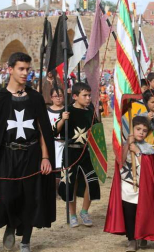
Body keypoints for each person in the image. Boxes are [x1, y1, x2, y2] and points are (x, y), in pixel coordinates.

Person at [0, 52, 56, 252]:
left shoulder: (35, 98)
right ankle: (12, 225)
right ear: (10, 70)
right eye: (21, 69)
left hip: (31, 155)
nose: (25, 73)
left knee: (31, 197)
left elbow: (42, 130)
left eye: (27, 69)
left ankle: (26, 241)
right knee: (7, 196)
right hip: (7, 156)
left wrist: (46, 157)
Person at [104, 116, 154, 252]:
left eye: (145, 130)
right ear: (132, 129)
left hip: (142, 188)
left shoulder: (148, 149)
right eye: (138, 129)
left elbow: (149, 169)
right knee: (129, 213)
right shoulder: (124, 145)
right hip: (127, 186)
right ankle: (132, 240)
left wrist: (137, 151)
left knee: (143, 213)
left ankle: (143, 235)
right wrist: (127, 146)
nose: (141, 132)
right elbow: (120, 161)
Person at [56, 82, 100, 228]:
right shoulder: (67, 111)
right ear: (75, 96)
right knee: (71, 182)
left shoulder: (90, 112)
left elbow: (97, 132)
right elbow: (54, 130)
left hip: (87, 152)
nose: (88, 98)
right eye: (85, 95)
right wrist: (63, 119)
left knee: (91, 180)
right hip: (71, 151)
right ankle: (73, 214)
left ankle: (84, 211)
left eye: (89, 95)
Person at [48, 87, 67, 193]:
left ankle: (62, 189)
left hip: (64, 142)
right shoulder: (47, 111)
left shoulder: (67, 110)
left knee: (63, 167)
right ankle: (53, 190)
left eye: (60, 95)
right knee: (54, 166)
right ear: (51, 97)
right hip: (52, 143)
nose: (58, 98)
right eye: (56, 96)